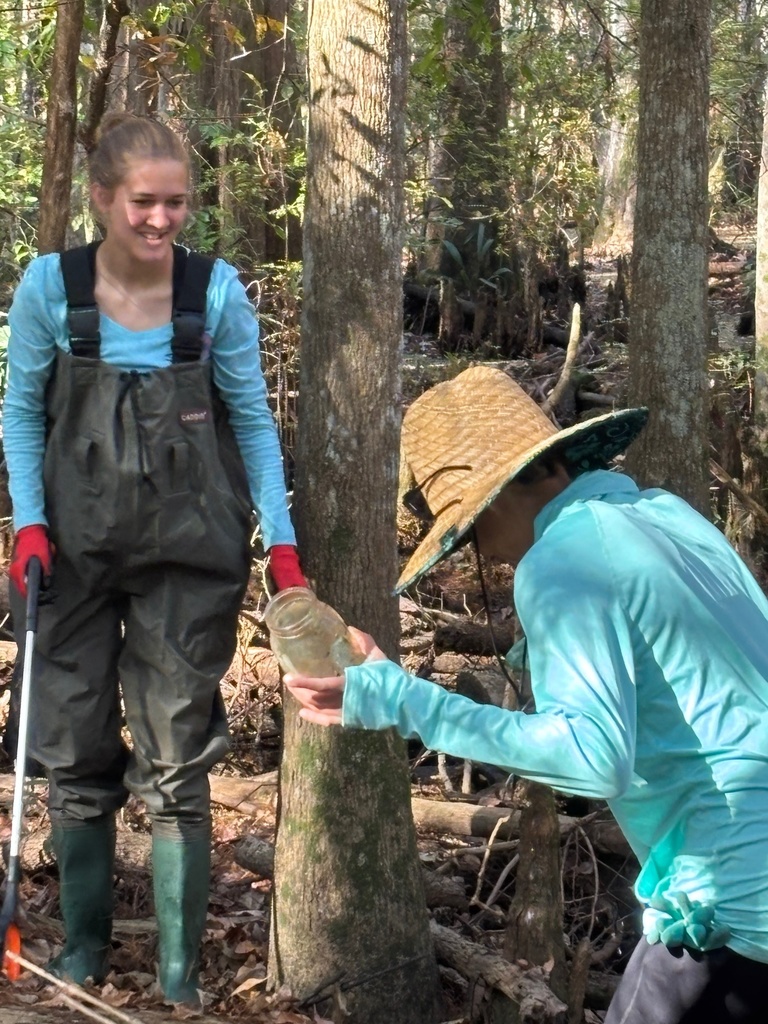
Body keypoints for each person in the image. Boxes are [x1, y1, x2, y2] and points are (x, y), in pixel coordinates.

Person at [284, 364, 768, 1024]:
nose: (478, 554)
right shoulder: (666, 516)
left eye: (469, 531)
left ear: (501, 493)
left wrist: (404, 702)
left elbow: (594, 758)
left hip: (734, 904)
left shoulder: (562, 560)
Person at [2, 112, 307, 1006]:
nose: (162, 219)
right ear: (103, 199)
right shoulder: (49, 289)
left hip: (190, 550)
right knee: (73, 748)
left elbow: (251, 420)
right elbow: (21, 413)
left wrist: (281, 544)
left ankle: (179, 973)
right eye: (144, 201)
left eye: (177, 202)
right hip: (68, 553)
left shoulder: (211, 294)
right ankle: (83, 950)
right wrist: (28, 522)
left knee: (177, 756)